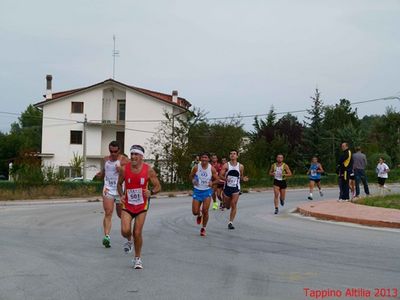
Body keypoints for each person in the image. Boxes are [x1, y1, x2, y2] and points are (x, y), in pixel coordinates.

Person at [117, 145, 161, 269]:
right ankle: (128, 240)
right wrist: (121, 195)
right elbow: (119, 184)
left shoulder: (148, 170)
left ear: (142, 156)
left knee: (137, 232)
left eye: (136, 154)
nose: (133, 157)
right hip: (128, 204)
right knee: (125, 231)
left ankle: (137, 259)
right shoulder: (124, 169)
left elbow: (158, 186)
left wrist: (151, 192)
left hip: (142, 205)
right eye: (132, 154)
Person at [97, 141, 129, 249]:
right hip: (108, 189)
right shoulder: (106, 159)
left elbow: (130, 174)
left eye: (115, 151)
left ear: (119, 150)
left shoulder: (124, 160)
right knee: (108, 213)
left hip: (119, 191)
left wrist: (121, 171)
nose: (113, 153)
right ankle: (107, 237)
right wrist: (99, 175)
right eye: (111, 151)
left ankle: (128, 235)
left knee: (121, 215)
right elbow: (104, 172)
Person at [189, 152, 219, 236]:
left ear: (209, 159)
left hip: (206, 191)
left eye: (206, 157)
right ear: (200, 158)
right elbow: (190, 176)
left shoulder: (211, 168)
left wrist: (212, 182)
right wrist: (193, 180)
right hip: (197, 191)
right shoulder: (196, 167)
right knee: (195, 212)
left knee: (205, 210)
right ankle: (199, 215)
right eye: (203, 157)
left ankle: (203, 228)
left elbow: (218, 179)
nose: (204, 159)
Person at [219, 150, 248, 229]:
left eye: (234, 154)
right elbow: (220, 175)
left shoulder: (241, 166)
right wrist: (225, 179)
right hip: (227, 187)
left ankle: (230, 223)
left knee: (234, 204)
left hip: (236, 188)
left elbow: (241, 176)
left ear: (237, 156)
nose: (232, 155)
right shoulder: (226, 165)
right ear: (229, 156)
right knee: (228, 206)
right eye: (231, 154)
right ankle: (224, 203)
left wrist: (243, 179)